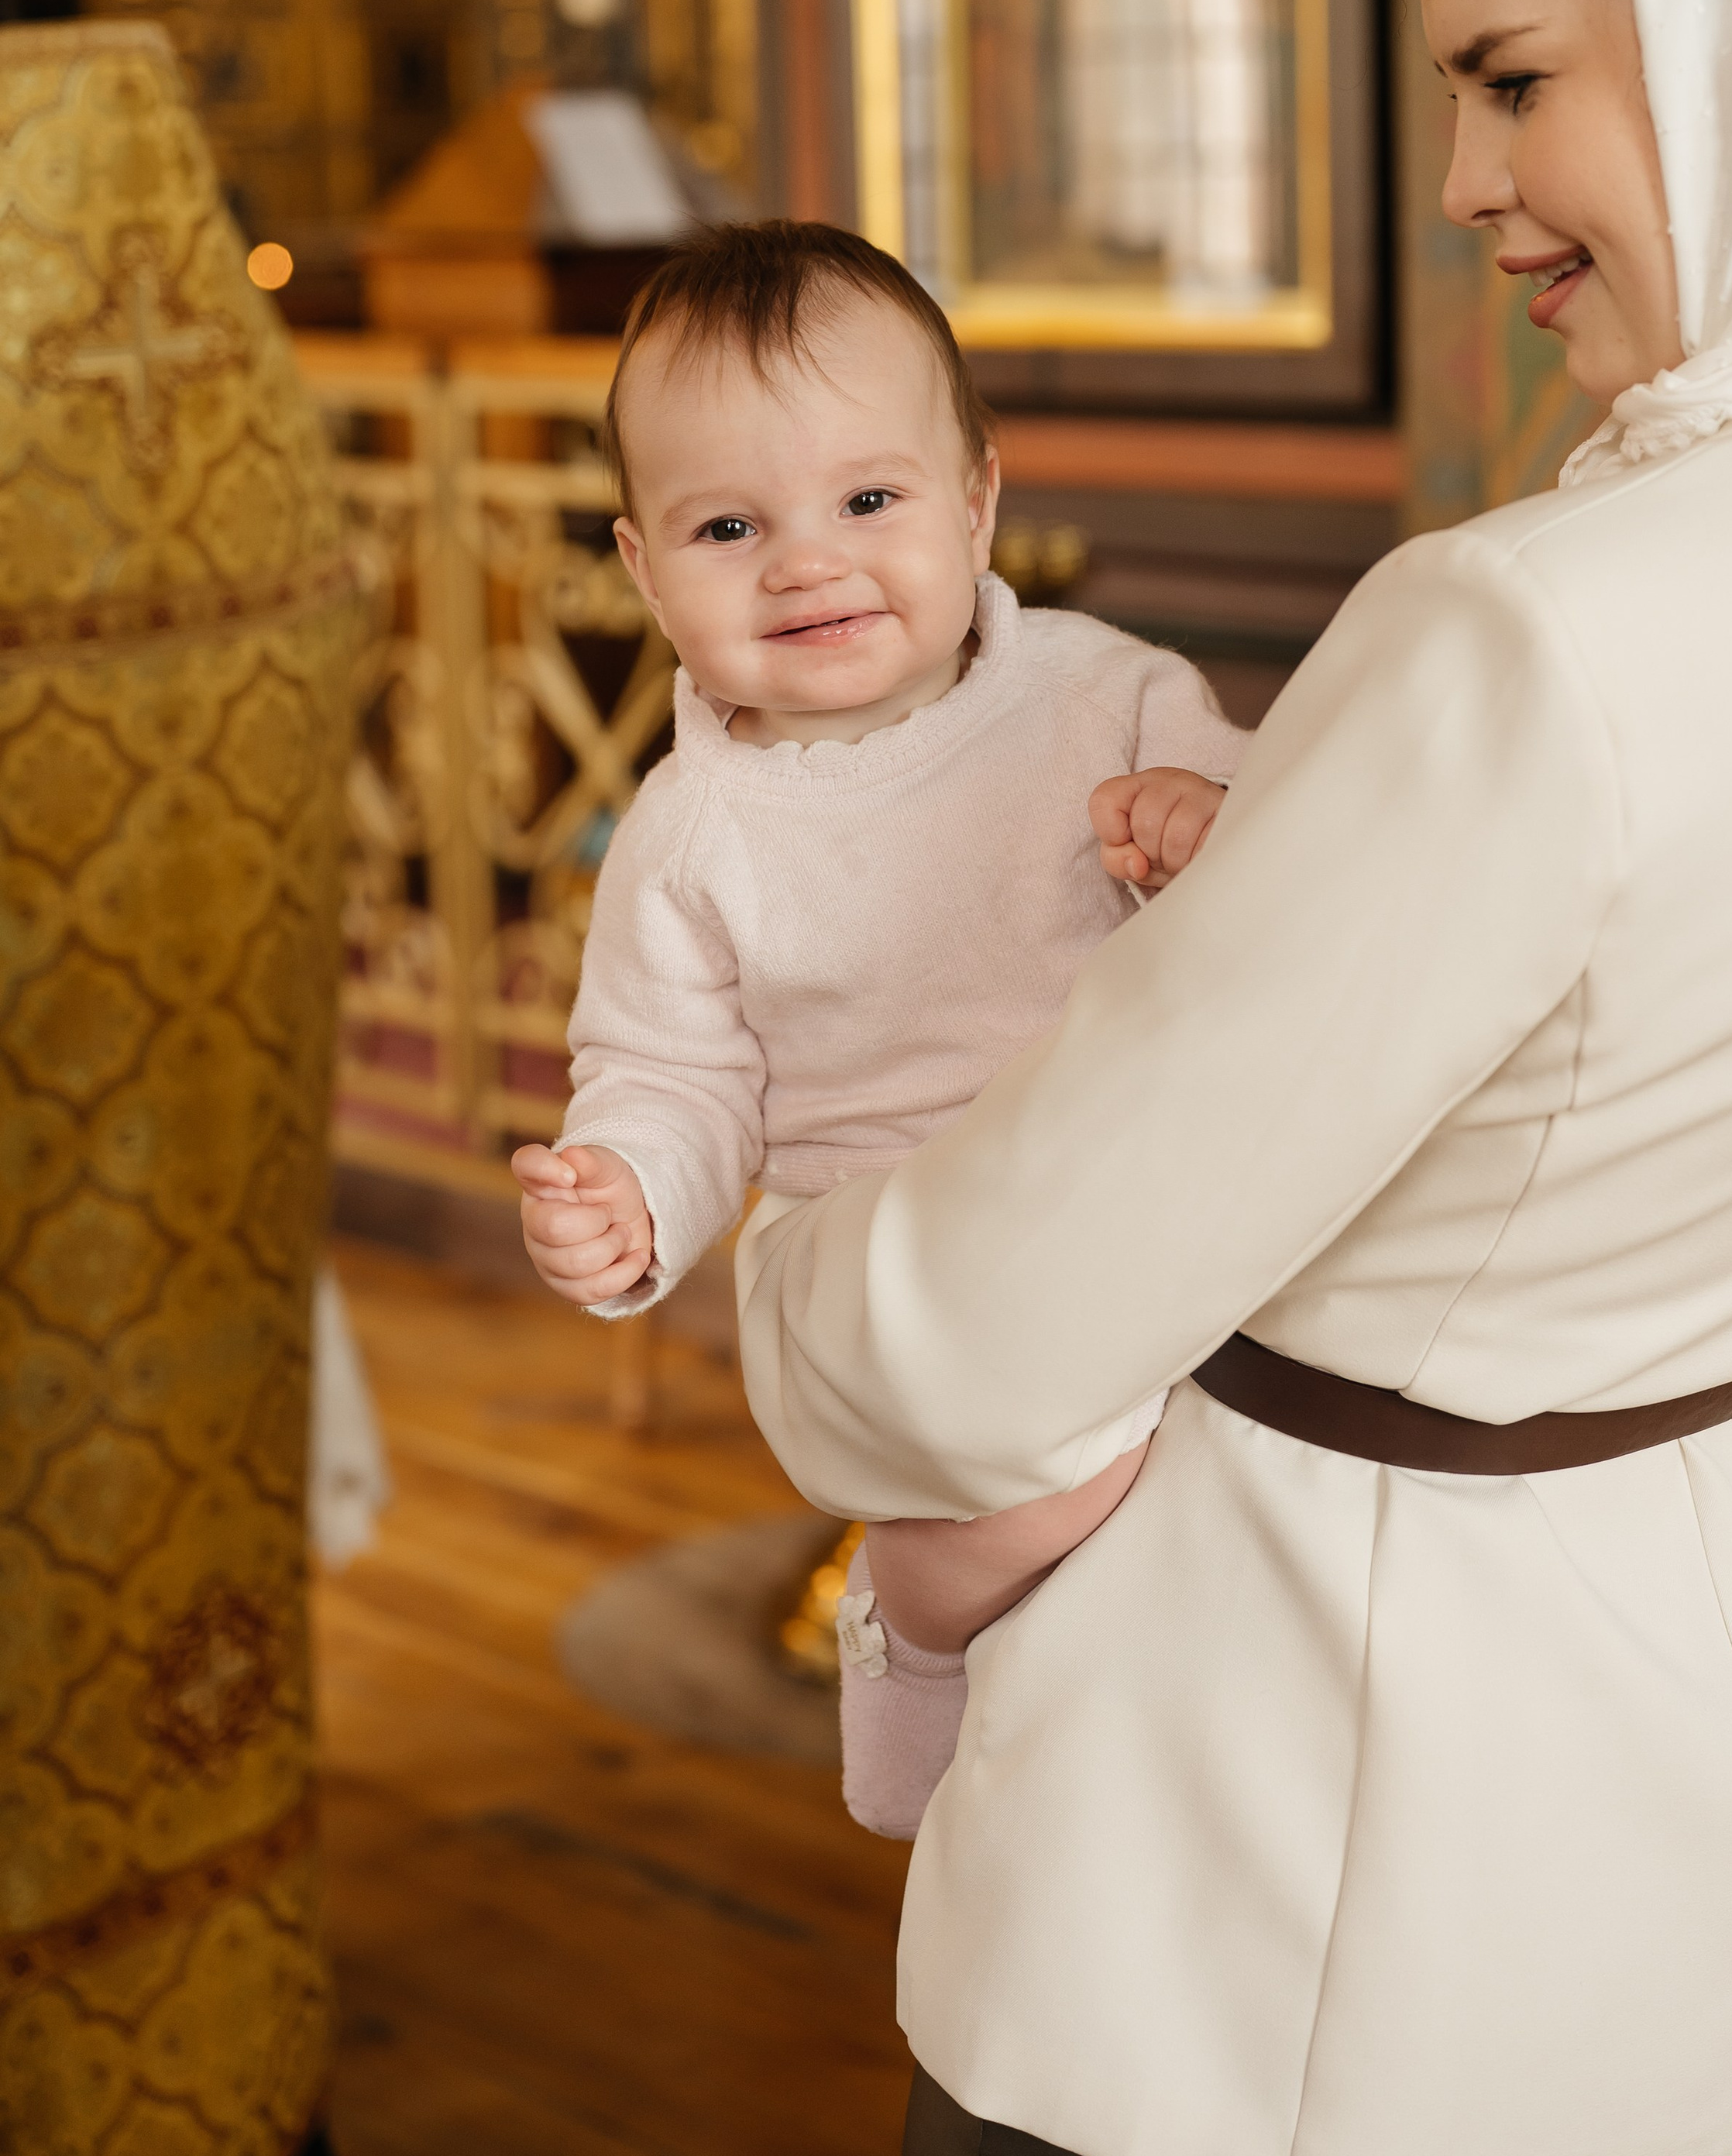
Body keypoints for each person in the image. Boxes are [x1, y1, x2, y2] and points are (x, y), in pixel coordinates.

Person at [736, 0, 1732, 2156]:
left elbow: (967, 1342)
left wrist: (784, 1228)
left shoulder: (1538, 629)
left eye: (1516, 77)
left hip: (1335, 1900)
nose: (1463, 184)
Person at [510, 222, 1246, 1833]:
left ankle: (1109, 1750)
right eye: (728, 526)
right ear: (642, 566)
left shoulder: (1106, 700)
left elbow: (1279, 876)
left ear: (974, 502)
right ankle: (916, 1621)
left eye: (866, 501)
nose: (804, 563)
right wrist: (630, 1186)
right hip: (873, 1252)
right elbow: (672, 1073)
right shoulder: (690, 834)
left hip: (1107, 1188)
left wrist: (1205, 820)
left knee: (1219, 1456)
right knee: (1080, 1459)